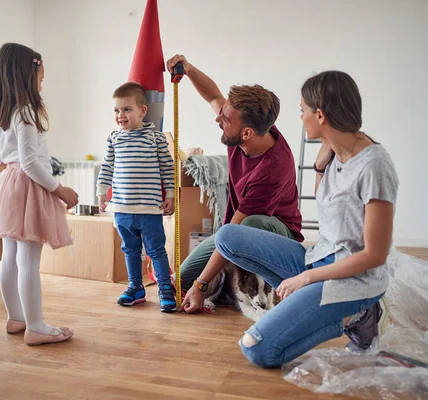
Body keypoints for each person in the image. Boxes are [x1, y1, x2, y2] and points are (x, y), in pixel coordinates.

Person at [198, 70, 398, 368]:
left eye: (302, 110)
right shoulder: (334, 153)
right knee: (228, 236)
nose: (299, 116)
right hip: (319, 259)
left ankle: (359, 316)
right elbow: (328, 208)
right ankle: (311, 299)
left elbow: (375, 255)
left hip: (353, 279)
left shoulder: (374, 166)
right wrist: (319, 166)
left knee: (258, 349)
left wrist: (306, 278)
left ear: (320, 116)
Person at [165, 55, 303, 309]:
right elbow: (212, 95)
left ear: (247, 133)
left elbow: (236, 229)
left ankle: (249, 281)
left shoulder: (271, 170)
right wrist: (190, 69)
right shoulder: (246, 127)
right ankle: (225, 277)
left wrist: (200, 286)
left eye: (225, 120)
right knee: (180, 281)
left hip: (279, 236)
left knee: (247, 225)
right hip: (235, 227)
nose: (219, 119)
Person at [0, 43, 79, 346]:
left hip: (8, 184)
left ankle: (16, 317)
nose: (42, 83)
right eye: (40, 78)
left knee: (11, 257)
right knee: (28, 258)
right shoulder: (27, 111)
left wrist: (2, 162)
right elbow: (30, 163)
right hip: (30, 184)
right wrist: (60, 189)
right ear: (26, 76)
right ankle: (37, 326)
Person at [96, 82, 177, 312]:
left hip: (149, 210)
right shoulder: (114, 139)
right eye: (116, 110)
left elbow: (167, 168)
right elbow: (106, 167)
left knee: (156, 250)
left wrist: (170, 195)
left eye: (126, 109)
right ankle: (135, 287)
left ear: (142, 110)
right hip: (122, 209)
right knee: (129, 249)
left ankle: (164, 288)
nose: (120, 115)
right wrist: (102, 193)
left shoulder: (155, 138)